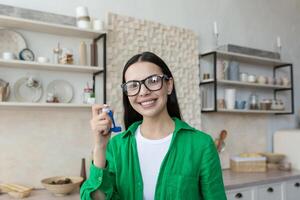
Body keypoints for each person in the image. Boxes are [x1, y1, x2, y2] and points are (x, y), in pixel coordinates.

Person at [80, 52, 227, 200]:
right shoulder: (116, 147)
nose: (143, 92)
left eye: (153, 80)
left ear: (169, 85)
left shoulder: (201, 145)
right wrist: (100, 147)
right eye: (133, 85)